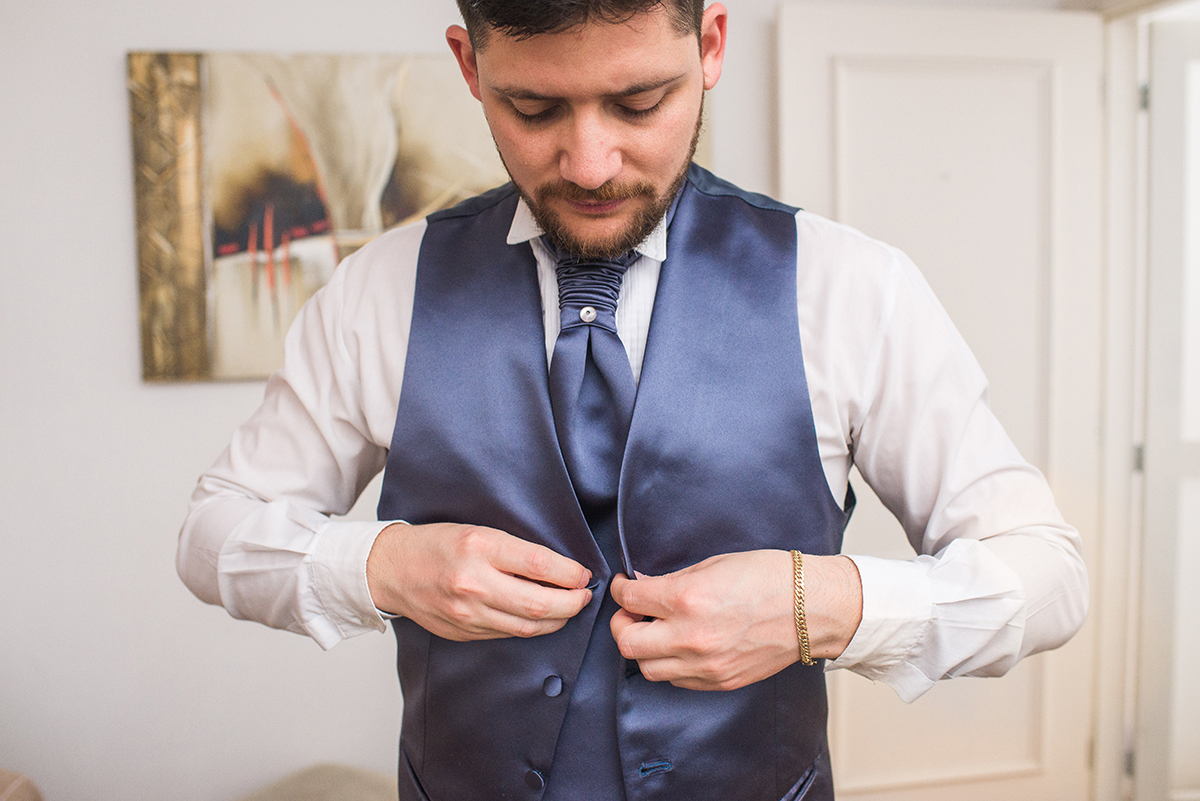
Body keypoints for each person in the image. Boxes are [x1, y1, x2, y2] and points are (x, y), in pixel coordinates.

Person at [177, 2, 1089, 799]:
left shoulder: (850, 289)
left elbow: (1046, 574)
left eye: (639, 102)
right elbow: (215, 529)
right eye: (533, 108)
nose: (589, 160)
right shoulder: (377, 293)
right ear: (469, 65)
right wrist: (382, 566)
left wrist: (824, 605)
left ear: (712, 46)